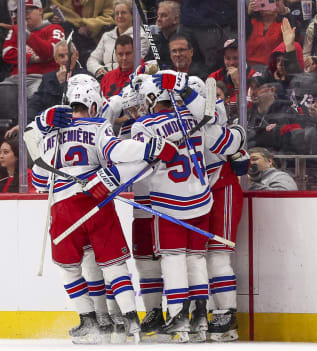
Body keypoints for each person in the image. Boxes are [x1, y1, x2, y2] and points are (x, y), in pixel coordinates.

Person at [31, 81, 178, 342]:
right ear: (95, 103)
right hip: (96, 200)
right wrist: (151, 148)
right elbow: (117, 151)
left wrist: (43, 125)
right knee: (114, 265)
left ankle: (90, 323)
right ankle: (131, 321)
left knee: (70, 269)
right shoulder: (98, 126)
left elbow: (40, 182)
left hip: (63, 206)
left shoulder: (49, 134)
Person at [130, 72, 246, 342]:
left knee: (183, 258)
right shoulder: (193, 119)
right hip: (202, 199)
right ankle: (199, 318)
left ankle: (188, 315)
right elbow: (228, 143)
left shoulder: (146, 125)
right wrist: (238, 135)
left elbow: (136, 166)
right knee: (196, 258)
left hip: (178, 200)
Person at [2, 0, 65, 97]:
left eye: (28, 10)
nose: (24, 14)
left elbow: (51, 52)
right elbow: (7, 53)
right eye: (21, 11)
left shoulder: (54, 28)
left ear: (40, 10)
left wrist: (27, 35)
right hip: (15, 78)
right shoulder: (15, 29)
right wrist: (32, 59)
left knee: (36, 98)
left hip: (42, 77)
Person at [86, 0, 149, 80]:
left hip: (128, 79)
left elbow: (133, 63)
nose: (119, 16)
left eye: (123, 13)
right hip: (104, 78)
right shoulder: (107, 36)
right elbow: (92, 59)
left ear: (133, 15)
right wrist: (99, 69)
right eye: (117, 13)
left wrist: (108, 71)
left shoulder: (140, 36)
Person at [45, 0, 115, 66]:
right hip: (68, 36)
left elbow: (110, 17)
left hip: (96, 40)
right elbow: (45, 13)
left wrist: (89, 25)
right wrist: (52, 18)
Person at [177, 0, 236, 76]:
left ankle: (212, 87)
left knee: (212, 65)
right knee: (184, 63)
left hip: (211, 23)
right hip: (186, 20)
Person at [246, 0, 286, 69]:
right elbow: (236, 28)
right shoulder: (250, 23)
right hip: (248, 69)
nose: (265, 5)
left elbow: (295, 39)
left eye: (269, 1)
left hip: (271, 69)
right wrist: (248, 14)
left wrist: (285, 12)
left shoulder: (283, 24)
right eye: (262, 2)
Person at [153, 1, 179, 70]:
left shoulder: (182, 42)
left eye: (164, 15)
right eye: (158, 15)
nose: (159, 19)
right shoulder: (155, 40)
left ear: (175, 19)